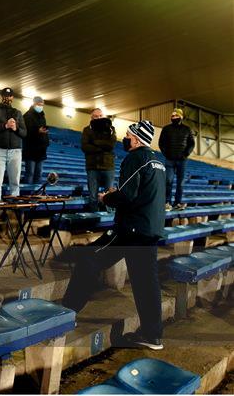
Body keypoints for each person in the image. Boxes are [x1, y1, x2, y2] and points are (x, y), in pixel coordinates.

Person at [63, 120, 166, 350]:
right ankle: (153, 335)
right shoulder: (158, 162)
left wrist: (106, 198)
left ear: (137, 138)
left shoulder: (136, 158)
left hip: (130, 230)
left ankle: (67, 313)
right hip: (149, 230)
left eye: (128, 134)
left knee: (88, 258)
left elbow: (127, 196)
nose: (125, 138)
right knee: (147, 284)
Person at [0, 88, 27, 201]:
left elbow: (24, 132)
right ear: (1, 96)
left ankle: (14, 211)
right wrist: (5, 125)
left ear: (12, 97)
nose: (7, 98)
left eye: (9, 96)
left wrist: (15, 128)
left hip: (15, 151)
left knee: (15, 183)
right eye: (5, 95)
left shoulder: (18, 112)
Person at [158, 108, 195, 211]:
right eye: (172, 116)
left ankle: (177, 203)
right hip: (170, 159)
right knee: (168, 181)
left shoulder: (187, 129)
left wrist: (186, 154)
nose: (174, 117)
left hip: (182, 160)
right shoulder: (166, 129)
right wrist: (166, 154)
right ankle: (167, 202)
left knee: (180, 182)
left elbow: (191, 143)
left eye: (176, 116)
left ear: (181, 117)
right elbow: (161, 143)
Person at [81, 108, 117, 211]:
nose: (99, 118)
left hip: (108, 166)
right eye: (96, 116)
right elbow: (85, 147)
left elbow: (111, 145)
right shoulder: (87, 130)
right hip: (92, 166)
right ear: (91, 117)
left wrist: (94, 142)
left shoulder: (111, 128)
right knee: (93, 195)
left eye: (101, 116)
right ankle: (93, 216)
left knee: (109, 195)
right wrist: (103, 146)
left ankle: (109, 217)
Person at [22, 96, 50, 184]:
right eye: (39, 104)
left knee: (39, 173)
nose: (41, 106)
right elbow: (25, 132)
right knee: (30, 173)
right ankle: (27, 195)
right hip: (30, 149)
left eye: (42, 105)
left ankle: (36, 195)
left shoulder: (42, 116)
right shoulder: (27, 116)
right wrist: (37, 131)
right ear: (34, 104)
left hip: (41, 150)